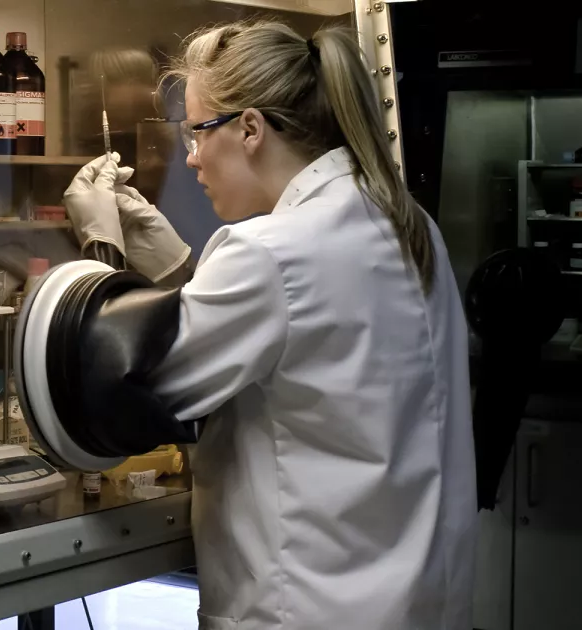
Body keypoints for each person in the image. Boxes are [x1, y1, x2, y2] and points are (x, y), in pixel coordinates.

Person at [63, 21, 477, 630]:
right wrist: (176, 263)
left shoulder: (267, 252)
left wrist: (101, 246)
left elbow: (122, 396)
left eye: (196, 132)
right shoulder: (401, 219)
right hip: (417, 603)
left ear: (250, 128)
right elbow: (291, 344)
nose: (192, 157)